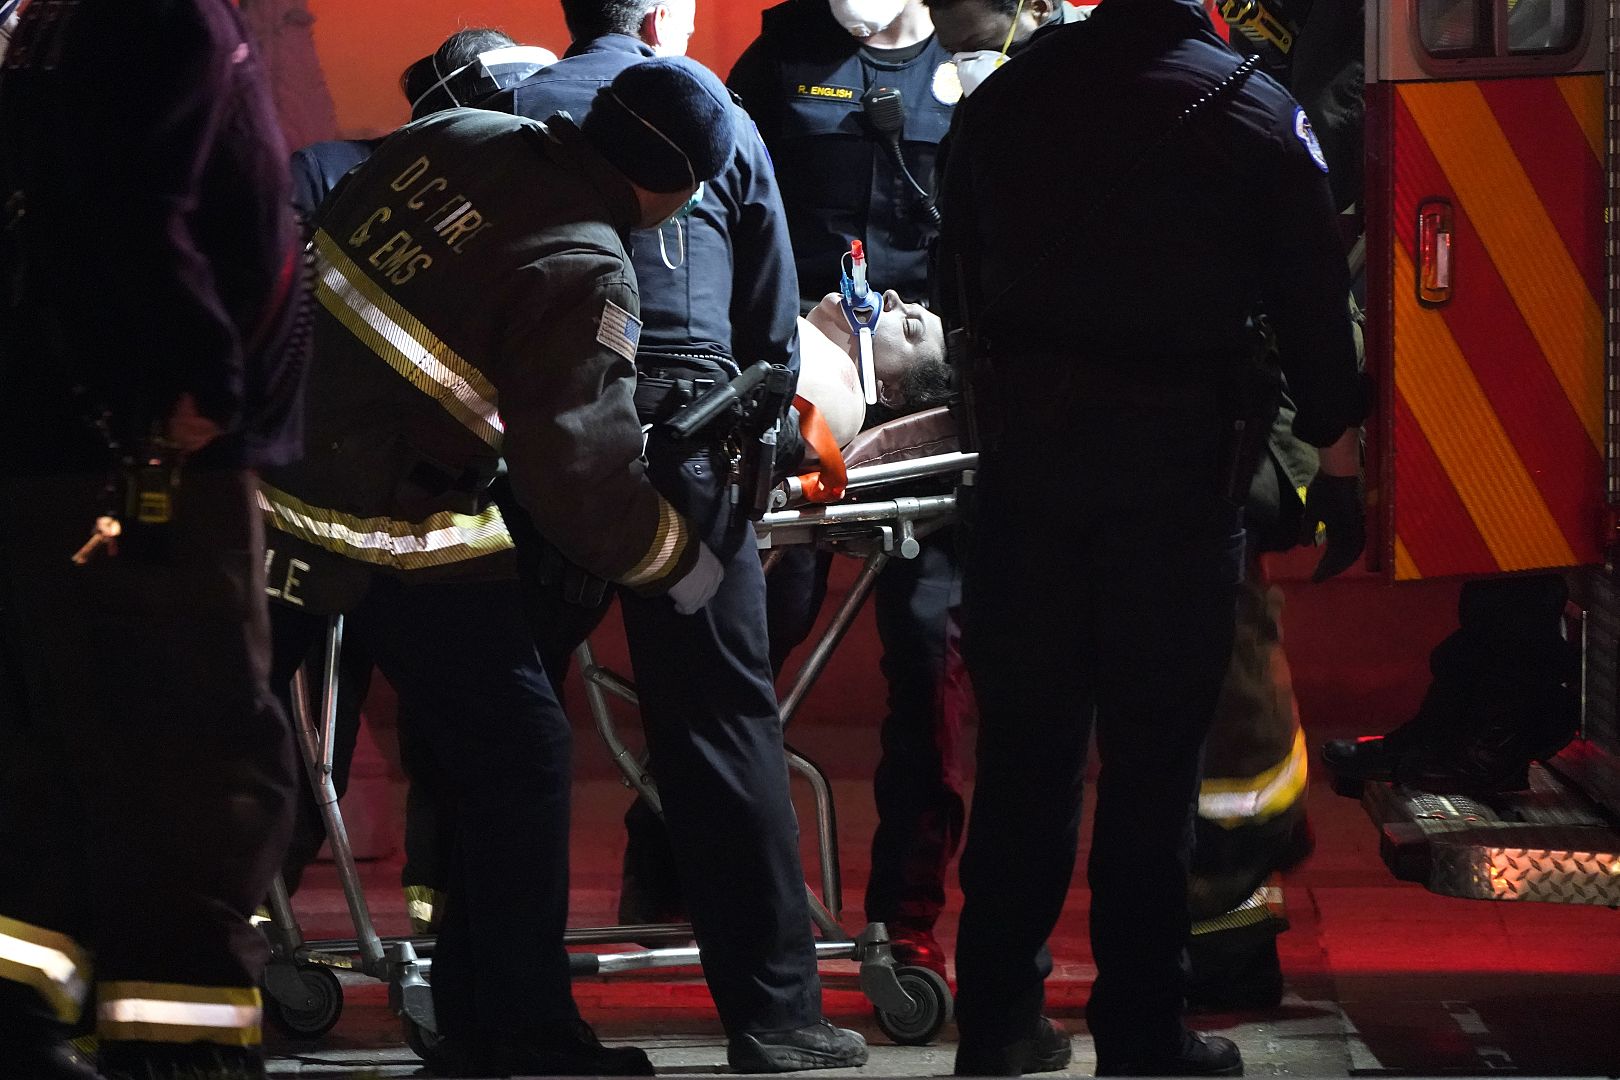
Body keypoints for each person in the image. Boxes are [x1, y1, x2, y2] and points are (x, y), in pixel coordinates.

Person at [257, 58, 737, 1076]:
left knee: (224, 754)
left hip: (270, 481)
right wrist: (685, 567)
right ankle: (521, 1036)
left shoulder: (455, 136)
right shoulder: (585, 263)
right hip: (387, 523)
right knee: (519, 755)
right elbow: (583, 479)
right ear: (673, 185)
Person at [935, 0, 1366, 1073]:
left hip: (1030, 475)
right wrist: (1338, 474)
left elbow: (956, 275)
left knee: (1025, 757)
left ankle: (997, 1024)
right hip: (1175, 487)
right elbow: (1315, 310)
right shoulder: (1254, 111)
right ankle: (1139, 1032)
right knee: (1152, 772)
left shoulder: (1003, 100)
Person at [483, 4, 869, 1071]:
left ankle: (490, 1005)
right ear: (661, 15)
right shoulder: (720, 120)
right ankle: (779, 1023)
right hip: (685, 453)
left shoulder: (513, 109)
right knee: (723, 732)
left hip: (538, 445)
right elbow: (772, 332)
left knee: (507, 733)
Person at [0, 1, 308, 1077]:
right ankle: (184, 1048)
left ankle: (25, 1017)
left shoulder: (62, 25)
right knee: (201, 763)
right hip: (148, 453)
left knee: (60, 751)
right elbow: (133, 206)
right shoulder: (159, 19)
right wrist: (199, 387)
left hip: (66, 445)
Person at [274, 27, 558, 938]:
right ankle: (257, 916)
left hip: (429, 519)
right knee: (301, 725)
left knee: (461, 734)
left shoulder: (513, 200)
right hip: (316, 514)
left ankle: (441, 918)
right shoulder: (336, 173)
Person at [730, 0, 966, 978]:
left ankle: (905, 923)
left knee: (929, 657)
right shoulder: (777, 64)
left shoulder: (975, 64)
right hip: (798, 404)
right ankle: (686, 857)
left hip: (927, 422)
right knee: (749, 636)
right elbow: (724, 224)